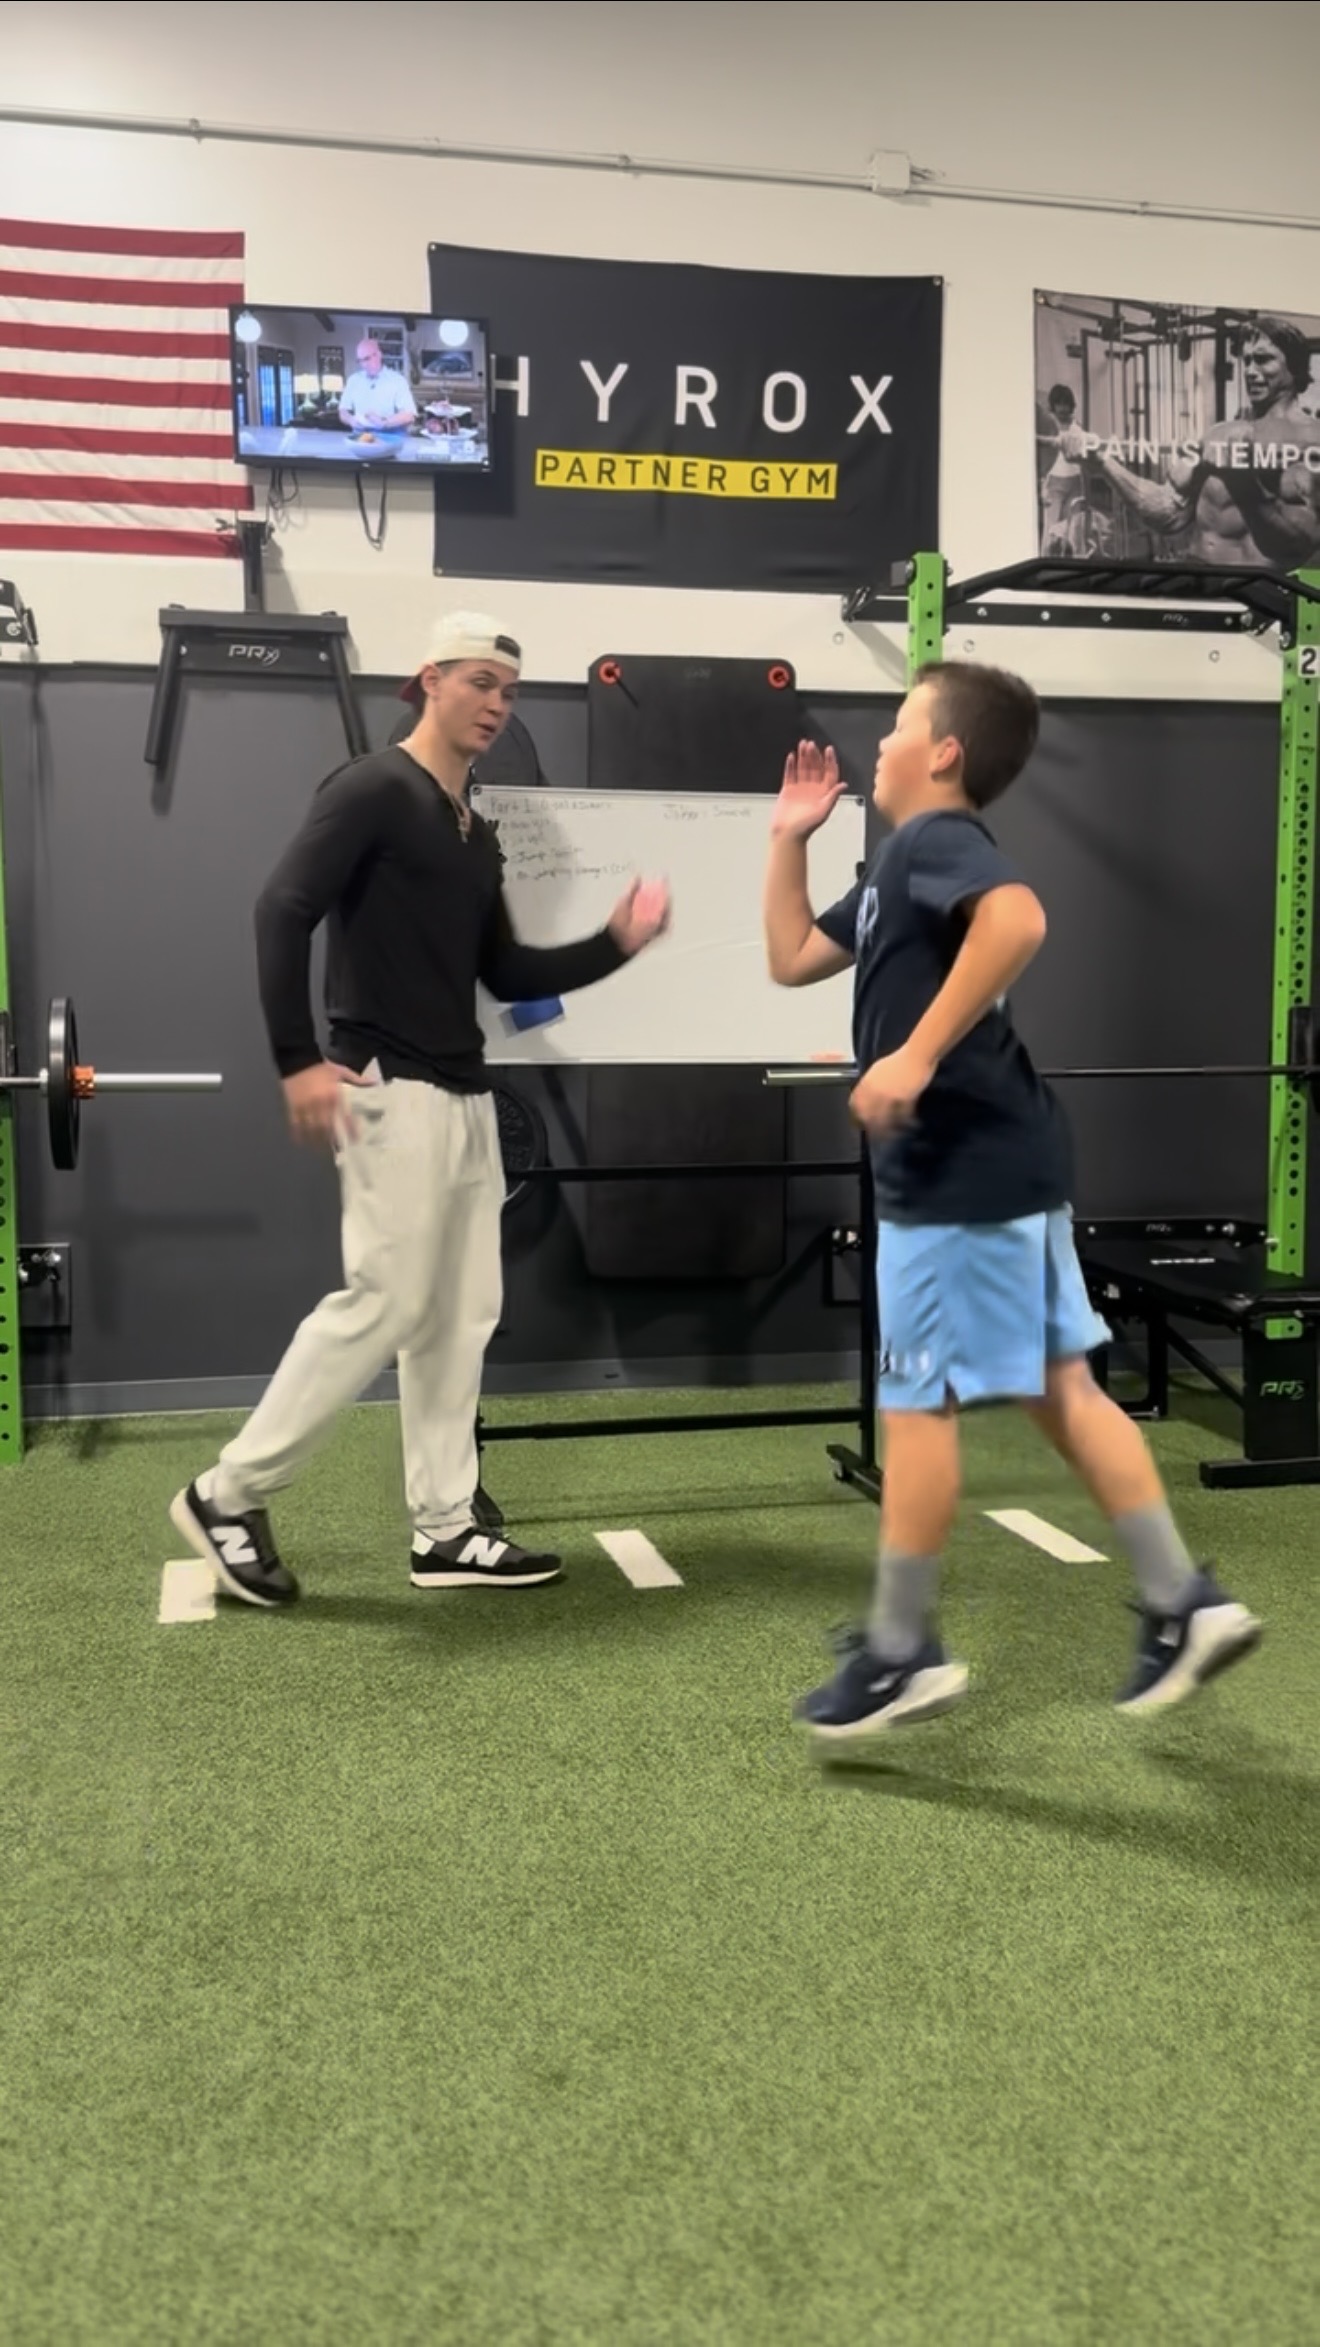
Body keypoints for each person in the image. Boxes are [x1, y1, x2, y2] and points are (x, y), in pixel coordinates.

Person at [762, 662, 1262, 1743]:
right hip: (1006, 1160)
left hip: (955, 1174)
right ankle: (1184, 1600)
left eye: (900, 723)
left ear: (945, 752)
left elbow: (1020, 920)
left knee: (918, 1403)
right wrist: (789, 838)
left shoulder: (937, 841)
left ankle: (902, 1651)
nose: (879, 742)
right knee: (1058, 1390)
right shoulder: (896, 865)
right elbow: (793, 957)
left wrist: (911, 1055)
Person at [171, 613, 671, 1609]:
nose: (496, 704)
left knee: (461, 1313)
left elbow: (506, 970)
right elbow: (281, 908)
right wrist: (296, 1060)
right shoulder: (372, 788)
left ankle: (445, 1528)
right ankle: (226, 1494)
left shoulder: (471, 827)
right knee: (387, 1301)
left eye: (509, 690)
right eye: (480, 681)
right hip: (386, 1087)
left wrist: (616, 942)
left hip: (465, 1093)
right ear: (428, 680)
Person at [1060, 315, 1320, 566]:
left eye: (1263, 360)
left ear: (1295, 367)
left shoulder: (1313, 442)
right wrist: (1104, 463)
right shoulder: (1218, 434)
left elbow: (1296, 547)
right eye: (1247, 361)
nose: (1250, 371)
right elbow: (1168, 514)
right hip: (1202, 578)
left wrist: (1241, 481)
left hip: (1262, 589)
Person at [338, 337, 418, 433]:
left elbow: (409, 415)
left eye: (367, 359)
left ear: (379, 355)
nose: (364, 365)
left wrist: (385, 422)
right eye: (360, 361)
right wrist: (351, 420)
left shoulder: (397, 381)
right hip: (360, 438)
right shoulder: (353, 380)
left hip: (390, 438)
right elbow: (343, 411)